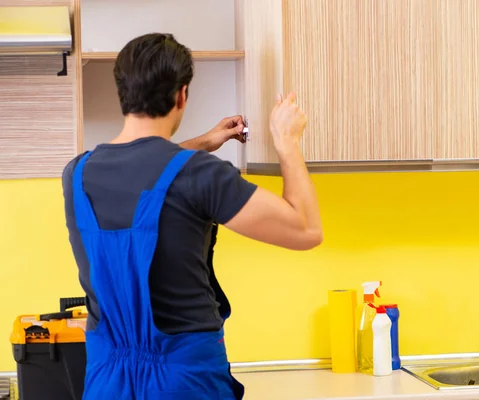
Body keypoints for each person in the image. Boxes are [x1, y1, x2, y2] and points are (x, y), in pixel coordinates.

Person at [62, 33, 322, 400]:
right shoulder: (201, 175)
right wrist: (287, 141)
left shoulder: (76, 173)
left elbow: (145, 167)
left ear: (123, 92)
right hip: (185, 380)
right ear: (182, 94)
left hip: (107, 380)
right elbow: (306, 229)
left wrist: (202, 142)